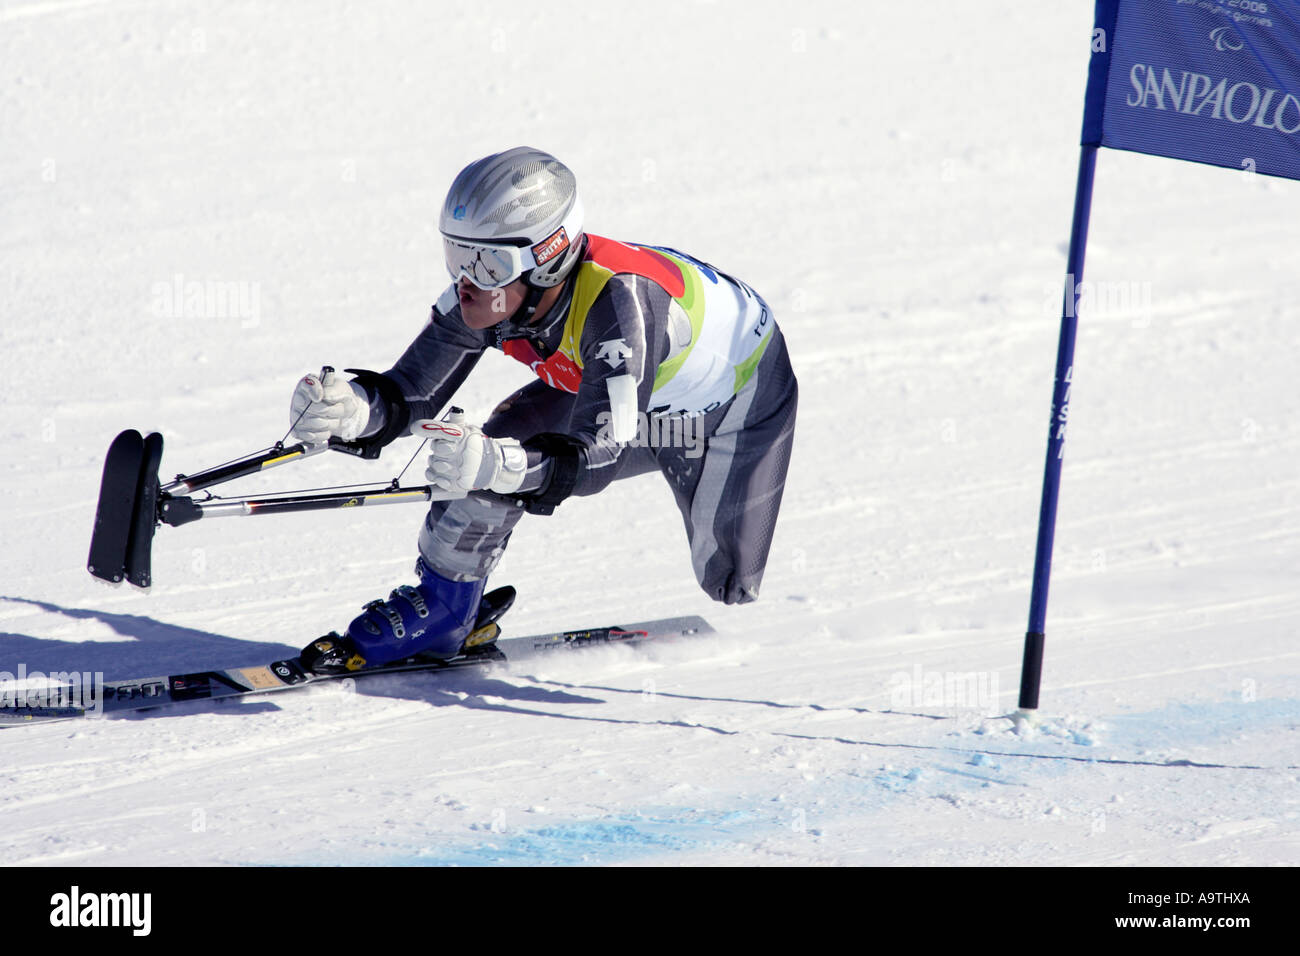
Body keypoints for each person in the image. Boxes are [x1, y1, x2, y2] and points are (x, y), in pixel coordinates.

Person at [290, 147, 798, 673]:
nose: (466, 278)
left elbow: (598, 455)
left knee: (729, 579)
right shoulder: (494, 291)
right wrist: (354, 409)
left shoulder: (620, 308)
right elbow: (412, 391)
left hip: (731, 410)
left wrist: (503, 467)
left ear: (547, 257)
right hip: (618, 383)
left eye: (486, 262)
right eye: (456, 256)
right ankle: (444, 610)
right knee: (503, 439)